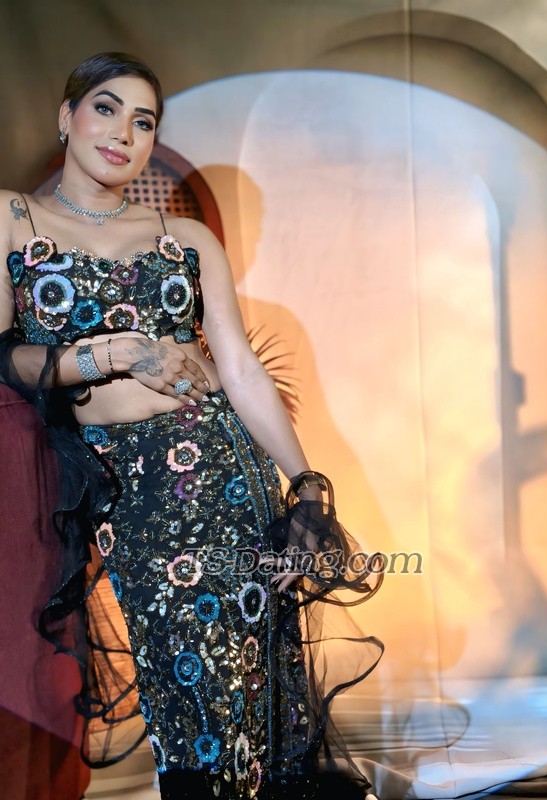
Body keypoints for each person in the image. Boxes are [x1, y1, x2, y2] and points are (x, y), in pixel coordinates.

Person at [0, 52, 383, 800]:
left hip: (227, 472)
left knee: (255, 680)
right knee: (185, 689)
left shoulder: (186, 239)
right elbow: (4, 355)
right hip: (130, 490)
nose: (124, 133)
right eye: (106, 108)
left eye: (143, 121)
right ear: (66, 117)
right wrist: (112, 353)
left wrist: (306, 487)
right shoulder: (14, 218)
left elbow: (240, 370)